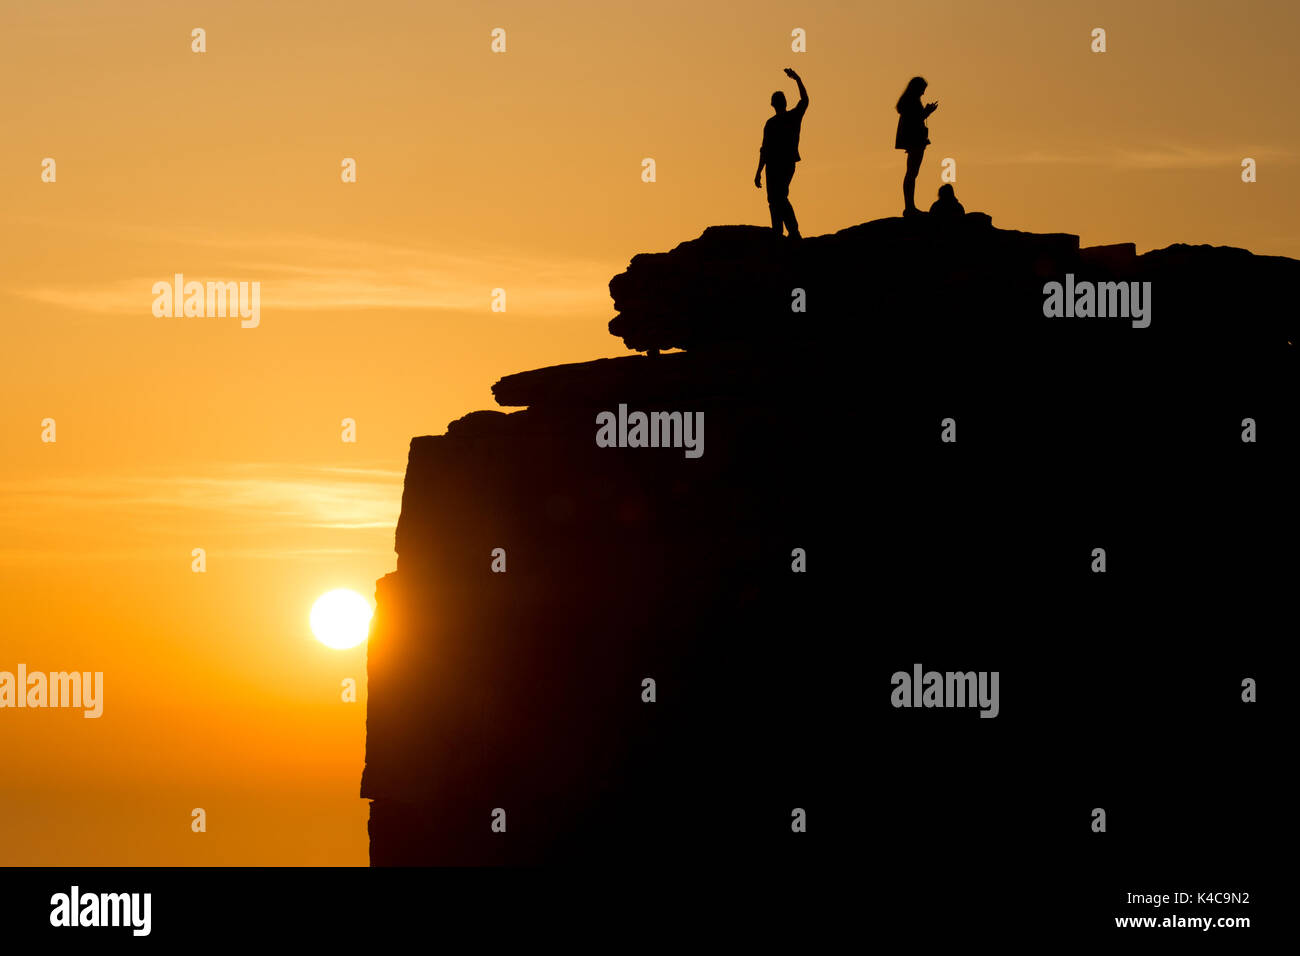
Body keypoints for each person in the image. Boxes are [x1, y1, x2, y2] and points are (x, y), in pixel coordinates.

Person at [754, 68, 809, 238]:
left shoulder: (785, 119)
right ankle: (780, 231)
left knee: (778, 197)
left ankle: (791, 231)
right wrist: (797, 79)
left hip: (781, 165)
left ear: (773, 104)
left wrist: (758, 172)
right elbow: (805, 100)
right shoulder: (778, 122)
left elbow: (764, 150)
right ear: (783, 103)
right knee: (776, 198)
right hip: (779, 165)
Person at [895, 76, 938, 216]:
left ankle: (910, 206)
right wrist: (927, 112)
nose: (923, 93)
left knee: (912, 173)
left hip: (913, 139)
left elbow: (915, 117)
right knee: (912, 173)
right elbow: (915, 119)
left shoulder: (908, 102)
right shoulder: (912, 102)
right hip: (915, 140)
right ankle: (910, 207)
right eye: (922, 90)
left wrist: (925, 112)